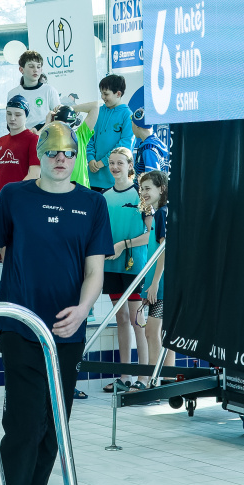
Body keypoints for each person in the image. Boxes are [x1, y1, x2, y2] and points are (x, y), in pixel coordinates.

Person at [0, 120, 113, 485]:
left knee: (52, 435)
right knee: (25, 430)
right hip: (20, 328)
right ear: (40, 156)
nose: (60, 159)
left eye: (68, 152)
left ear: (76, 157)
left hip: (66, 334)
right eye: (52, 152)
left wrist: (84, 309)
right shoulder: (15, 197)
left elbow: (94, 271)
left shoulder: (92, 203)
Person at [101, 147, 150, 393]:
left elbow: (150, 235)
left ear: (130, 165)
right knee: (120, 319)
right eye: (111, 163)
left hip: (135, 266)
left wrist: (123, 245)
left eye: (120, 163)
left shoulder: (141, 195)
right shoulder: (104, 197)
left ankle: (144, 378)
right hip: (112, 266)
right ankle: (125, 376)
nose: (114, 167)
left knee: (137, 320)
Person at [138, 170, 174, 384]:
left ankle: (153, 382)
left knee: (152, 332)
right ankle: (168, 381)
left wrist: (154, 284)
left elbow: (164, 251)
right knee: (165, 335)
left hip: (161, 285)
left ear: (162, 189)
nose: (143, 192)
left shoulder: (161, 214)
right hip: (162, 283)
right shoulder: (165, 212)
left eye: (148, 188)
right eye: (141, 189)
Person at [0, 95, 40, 204]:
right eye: (9, 114)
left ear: (26, 116)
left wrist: (13, 195)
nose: (12, 118)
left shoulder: (33, 139)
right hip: (1, 202)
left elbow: (34, 174)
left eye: (17, 115)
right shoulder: (0, 141)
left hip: (22, 200)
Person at [86, 74, 133, 192]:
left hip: (114, 178)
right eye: (101, 93)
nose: (103, 97)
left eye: (106, 94)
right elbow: (89, 138)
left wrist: (103, 162)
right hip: (92, 177)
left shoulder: (127, 115)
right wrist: (90, 158)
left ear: (118, 94)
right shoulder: (98, 112)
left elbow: (125, 145)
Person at [6, 50, 60, 132]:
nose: (35, 70)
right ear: (21, 69)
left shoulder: (49, 91)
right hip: (21, 137)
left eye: (38, 67)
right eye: (31, 66)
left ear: (41, 70)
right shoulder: (13, 93)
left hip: (45, 136)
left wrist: (38, 129)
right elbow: (10, 122)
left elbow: (57, 118)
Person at [50, 100, 98, 189]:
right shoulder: (49, 140)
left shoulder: (80, 135)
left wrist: (69, 109)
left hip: (81, 190)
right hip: (59, 190)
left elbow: (95, 106)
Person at [131, 108, 169, 176]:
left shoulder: (149, 150)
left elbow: (153, 179)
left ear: (137, 126)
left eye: (132, 123)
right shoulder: (151, 145)